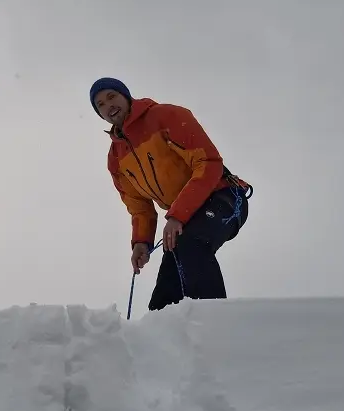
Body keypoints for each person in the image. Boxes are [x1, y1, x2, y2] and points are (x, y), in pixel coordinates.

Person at [90, 77, 253, 311]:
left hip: (223, 196)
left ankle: (216, 325)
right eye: (100, 104)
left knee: (190, 245)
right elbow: (139, 207)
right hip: (184, 217)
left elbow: (208, 162)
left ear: (125, 96)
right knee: (168, 284)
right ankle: (160, 333)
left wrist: (177, 215)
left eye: (111, 96)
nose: (108, 105)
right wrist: (141, 242)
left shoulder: (165, 116)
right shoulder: (116, 158)